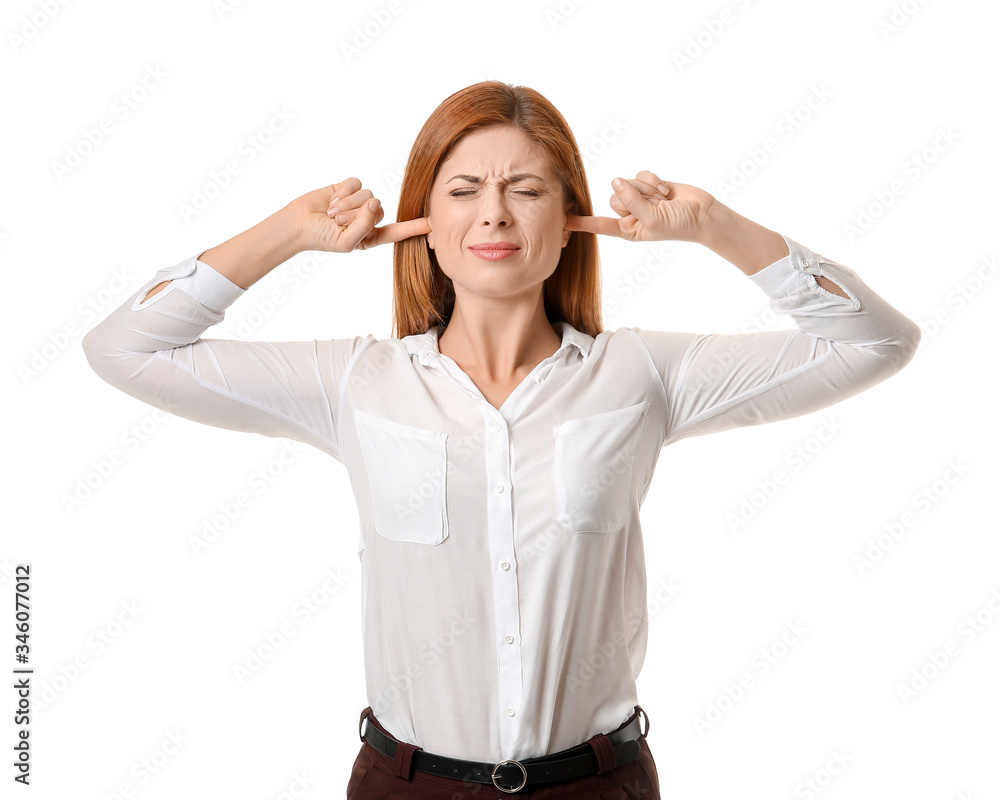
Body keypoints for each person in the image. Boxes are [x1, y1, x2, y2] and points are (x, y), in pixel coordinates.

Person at [82, 81, 921, 799]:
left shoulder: (640, 375)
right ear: (423, 226)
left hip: (599, 785)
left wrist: (712, 225)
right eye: (463, 189)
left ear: (569, 224)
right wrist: (289, 233)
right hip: (404, 785)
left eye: (526, 188)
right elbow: (123, 349)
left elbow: (876, 343)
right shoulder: (356, 384)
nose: (493, 211)